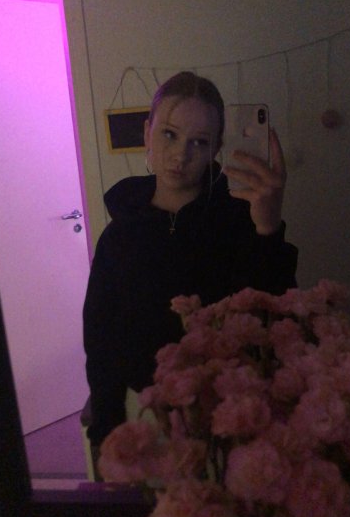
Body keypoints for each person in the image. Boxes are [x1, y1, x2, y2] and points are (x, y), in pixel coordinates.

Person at [83, 71, 298, 449]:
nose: (181, 155)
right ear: (147, 132)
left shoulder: (240, 220)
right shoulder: (118, 237)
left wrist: (267, 228)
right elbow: (101, 339)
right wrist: (106, 427)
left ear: (216, 149)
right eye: (169, 134)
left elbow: (275, 317)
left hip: (230, 419)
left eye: (199, 141)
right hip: (145, 421)